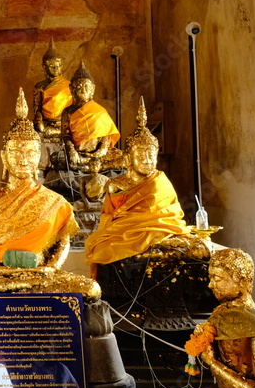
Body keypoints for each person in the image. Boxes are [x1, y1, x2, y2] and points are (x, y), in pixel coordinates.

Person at [0, 89, 100, 301]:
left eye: (30, 153)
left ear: (39, 157)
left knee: (90, 289)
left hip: (41, 273)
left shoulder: (56, 201)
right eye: (17, 152)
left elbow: (62, 242)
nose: (23, 159)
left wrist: (51, 268)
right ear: (4, 156)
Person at [83, 98, 196, 271]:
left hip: (158, 231)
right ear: (128, 158)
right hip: (121, 234)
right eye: (141, 154)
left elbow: (171, 216)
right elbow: (107, 219)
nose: (147, 159)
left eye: (151, 154)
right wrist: (109, 233)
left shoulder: (160, 183)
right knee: (102, 249)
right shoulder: (115, 186)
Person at [163, 249, 255, 388]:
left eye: (216, 278)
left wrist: (213, 363)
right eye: (210, 278)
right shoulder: (221, 313)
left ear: (240, 280)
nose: (210, 285)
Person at [60, 62, 121, 172]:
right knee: (57, 158)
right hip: (77, 153)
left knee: (120, 156)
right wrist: (71, 150)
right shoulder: (67, 112)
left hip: (98, 155)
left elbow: (105, 142)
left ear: (92, 89)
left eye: (86, 87)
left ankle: (87, 166)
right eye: (78, 86)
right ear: (71, 89)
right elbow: (65, 135)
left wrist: (97, 154)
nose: (83, 90)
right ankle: (91, 167)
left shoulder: (100, 112)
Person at [31, 40, 72, 141]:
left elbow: (74, 107)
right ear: (44, 67)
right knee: (38, 130)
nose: (55, 69)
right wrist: (39, 119)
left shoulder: (69, 85)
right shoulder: (40, 86)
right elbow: (37, 108)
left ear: (61, 66)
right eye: (52, 66)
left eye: (58, 66)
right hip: (47, 123)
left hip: (65, 123)